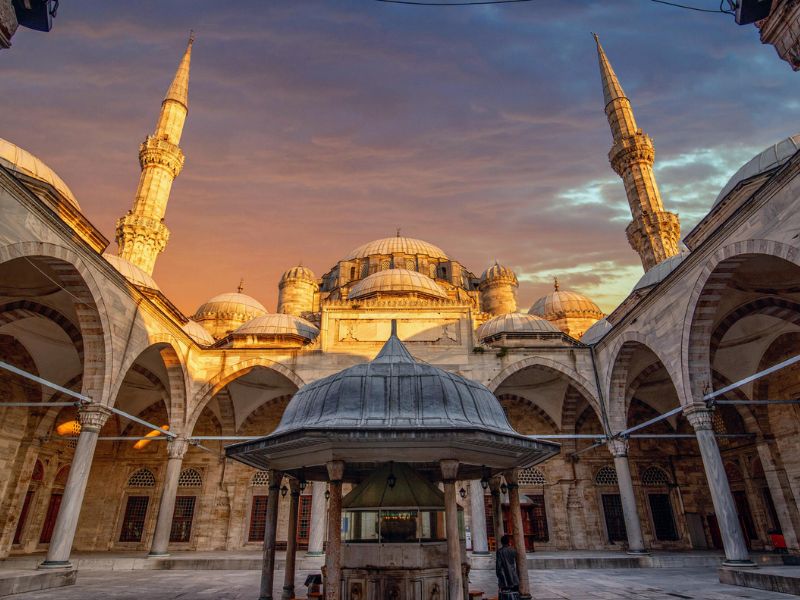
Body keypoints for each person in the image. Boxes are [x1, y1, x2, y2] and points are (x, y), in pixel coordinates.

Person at [495, 534, 520, 599]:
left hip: (504, 577)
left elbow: (498, 564)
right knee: (514, 594)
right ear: (509, 542)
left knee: (505, 595)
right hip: (513, 575)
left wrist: (498, 574)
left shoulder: (500, 551)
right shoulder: (513, 550)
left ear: (502, 542)